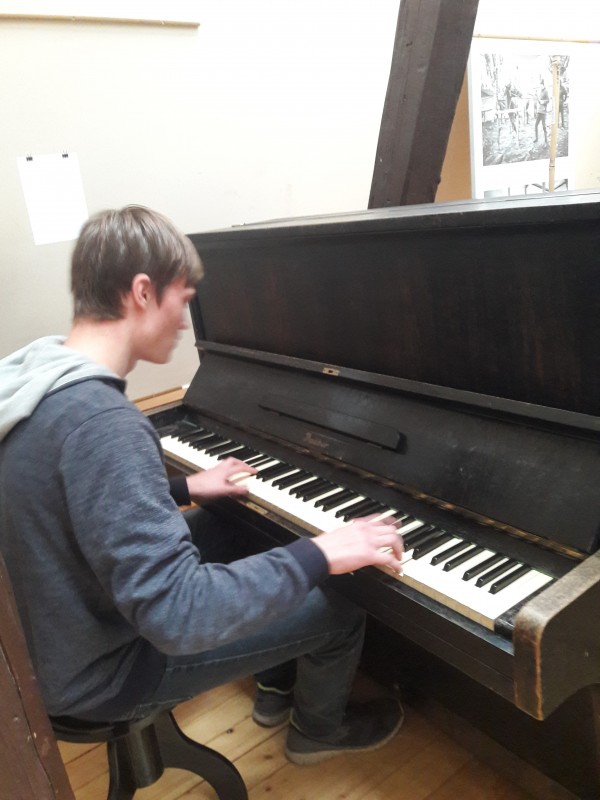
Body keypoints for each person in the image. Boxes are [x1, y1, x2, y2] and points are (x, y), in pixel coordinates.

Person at [0, 205, 405, 765]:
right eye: (184, 300)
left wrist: (182, 490)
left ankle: (274, 690)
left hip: (55, 638)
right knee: (342, 605)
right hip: (101, 673)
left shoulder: (35, 379)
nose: (187, 323)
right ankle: (318, 731)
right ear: (143, 292)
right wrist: (321, 552)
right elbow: (180, 614)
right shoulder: (103, 424)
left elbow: (69, 506)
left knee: (235, 529)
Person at [534, 78, 549, 146]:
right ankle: (536, 138)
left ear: (543, 85)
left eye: (541, 85)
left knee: (544, 127)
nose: (540, 86)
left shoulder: (546, 91)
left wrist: (543, 102)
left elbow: (548, 100)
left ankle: (546, 142)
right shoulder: (540, 92)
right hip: (539, 111)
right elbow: (539, 101)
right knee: (536, 125)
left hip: (543, 112)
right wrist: (537, 99)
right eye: (540, 85)